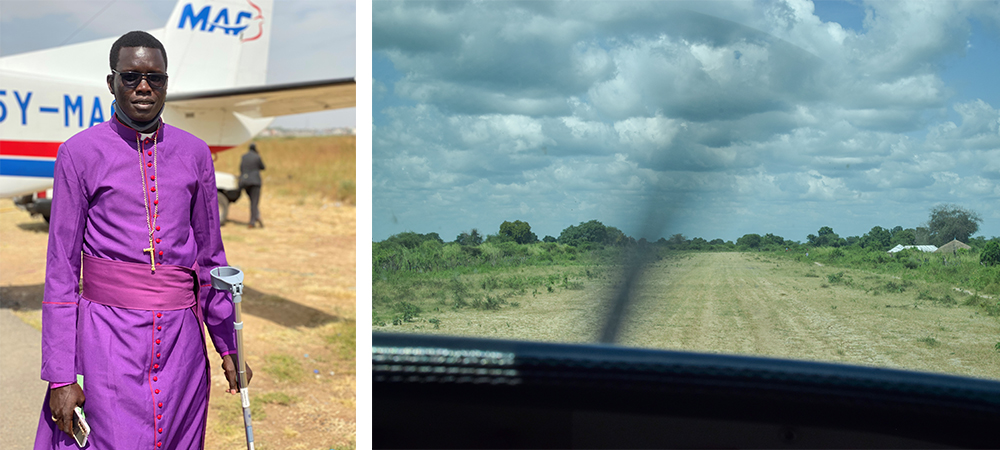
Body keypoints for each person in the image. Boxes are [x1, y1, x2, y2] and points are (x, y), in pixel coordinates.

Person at [35, 31, 252, 449]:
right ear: (111, 82)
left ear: (167, 83)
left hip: (181, 344)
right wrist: (61, 375)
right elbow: (61, 270)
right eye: (131, 76)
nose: (144, 87)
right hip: (107, 339)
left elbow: (211, 262)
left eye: (156, 78)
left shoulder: (194, 153)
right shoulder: (79, 153)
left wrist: (228, 345)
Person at [240, 142, 265, 228]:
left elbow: (241, 168)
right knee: (254, 202)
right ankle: (252, 222)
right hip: (255, 182)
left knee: (252, 201)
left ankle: (257, 216)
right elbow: (263, 167)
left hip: (245, 182)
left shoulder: (244, 157)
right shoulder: (257, 157)